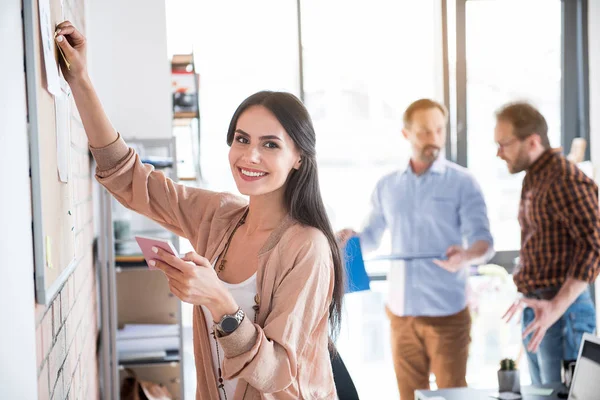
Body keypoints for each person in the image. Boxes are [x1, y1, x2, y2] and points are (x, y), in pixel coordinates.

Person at [54, 21, 345, 399]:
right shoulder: (219, 215)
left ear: (298, 160)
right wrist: (80, 81)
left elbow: (276, 375)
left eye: (270, 145)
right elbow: (127, 177)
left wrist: (217, 299)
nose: (250, 156)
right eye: (241, 139)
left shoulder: (309, 249)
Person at [338, 99, 494, 399]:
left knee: (452, 396)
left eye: (439, 130)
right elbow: (371, 239)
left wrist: (466, 256)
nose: (433, 139)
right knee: (408, 396)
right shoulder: (388, 186)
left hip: (447, 315)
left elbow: (484, 242)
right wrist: (352, 239)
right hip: (401, 315)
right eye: (424, 132)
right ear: (406, 134)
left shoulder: (463, 182)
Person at [497, 102, 600, 385]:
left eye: (504, 144)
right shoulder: (534, 177)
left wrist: (556, 307)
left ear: (532, 141)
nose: (498, 152)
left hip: (562, 312)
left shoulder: (564, 178)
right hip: (539, 307)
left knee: (562, 394)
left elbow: (595, 246)